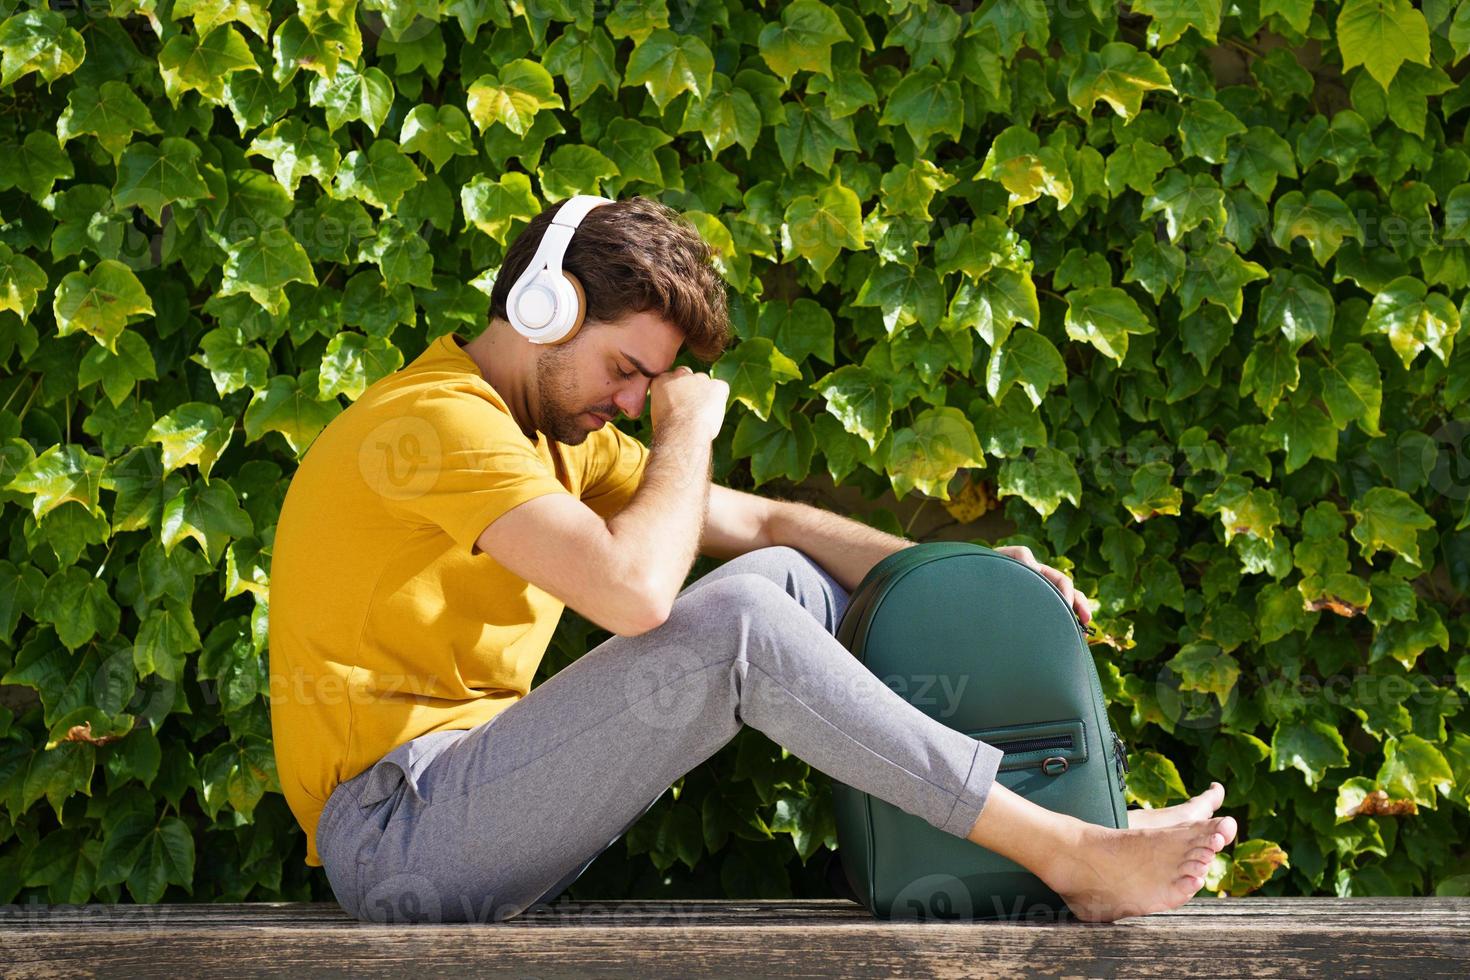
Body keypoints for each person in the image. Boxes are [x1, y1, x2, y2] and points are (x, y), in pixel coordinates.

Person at [269, 195, 1236, 925]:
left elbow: (771, 523)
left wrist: (957, 575)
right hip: (398, 832)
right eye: (627, 370)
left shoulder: (553, 442)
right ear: (542, 306)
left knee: (786, 585)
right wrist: (690, 427)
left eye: (653, 386)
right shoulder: (439, 423)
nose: (638, 402)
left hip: (476, 794)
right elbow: (637, 594)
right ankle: (1068, 854)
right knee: (737, 628)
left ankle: (1070, 820)